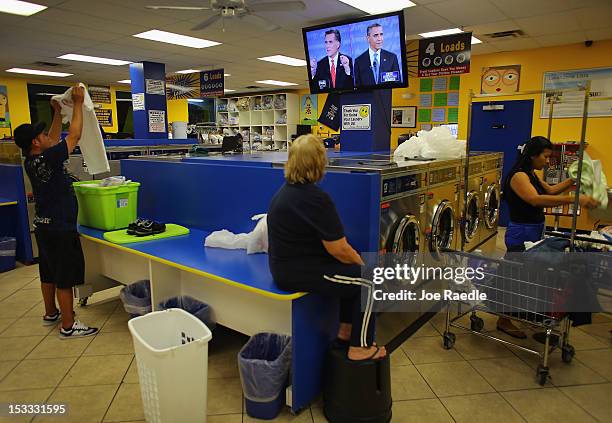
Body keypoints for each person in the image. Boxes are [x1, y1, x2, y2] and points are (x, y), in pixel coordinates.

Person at [267, 134, 385, 360]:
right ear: (319, 163)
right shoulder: (315, 198)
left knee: (354, 275)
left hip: (285, 267)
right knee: (369, 280)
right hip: (297, 272)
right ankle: (360, 347)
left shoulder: (284, 193)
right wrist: (363, 265)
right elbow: (338, 249)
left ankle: (345, 331)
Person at [14, 84, 99, 339]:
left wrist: (56, 113)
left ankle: (51, 313)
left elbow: (53, 137)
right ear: (35, 142)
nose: (47, 135)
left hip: (43, 226)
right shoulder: (49, 159)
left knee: (48, 273)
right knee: (64, 277)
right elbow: (73, 136)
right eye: (40, 135)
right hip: (60, 228)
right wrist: (77, 104)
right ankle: (69, 325)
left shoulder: (33, 159)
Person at [496, 136, 599, 338]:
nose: (547, 161)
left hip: (533, 229)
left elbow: (550, 190)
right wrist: (575, 199)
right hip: (521, 231)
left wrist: (573, 181)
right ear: (533, 155)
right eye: (545, 156)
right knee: (515, 276)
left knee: (529, 277)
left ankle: (522, 313)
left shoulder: (531, 174)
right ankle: (503, 319)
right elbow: (535, 200)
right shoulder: (519, 176)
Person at [354, 23, 400, 87]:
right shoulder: (359, 61)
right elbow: (358, 86)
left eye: (381, 34)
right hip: (367, 96)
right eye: (375, 35)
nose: (379, 39)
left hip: (387, 96)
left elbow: (397, 83)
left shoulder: (392, 58)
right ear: (368, 38)